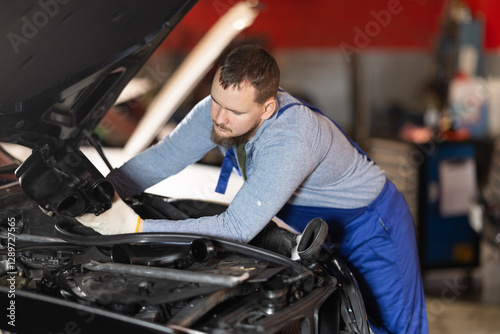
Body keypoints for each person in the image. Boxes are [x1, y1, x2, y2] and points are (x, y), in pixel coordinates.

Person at [78, 45, 428, 333]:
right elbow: (164, 158)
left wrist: (135, 229)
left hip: (374, 228)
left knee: (394, 328)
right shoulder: (219, 111)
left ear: (267, 109)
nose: (219, 118)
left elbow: (236, 228)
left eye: (234, 111)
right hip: (325, 228)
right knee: (347, 320)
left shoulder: (290, 139)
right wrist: (103, 194)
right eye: (216, 100)